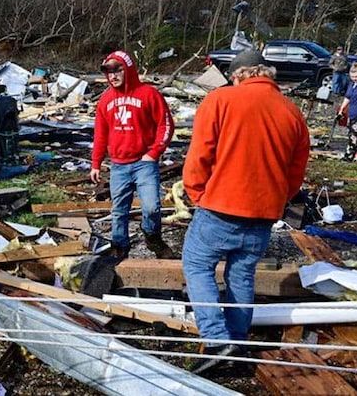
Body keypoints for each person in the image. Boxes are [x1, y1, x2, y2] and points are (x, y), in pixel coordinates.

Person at [181, 51, 310, 374]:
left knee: (197, 266)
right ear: (267, 74)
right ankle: (236, 346)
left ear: (238, 75)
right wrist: (276, 200)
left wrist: (197, 193)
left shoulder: (221, 100)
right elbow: (296, 172)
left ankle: (216, 341)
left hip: (220, 206)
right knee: (241, 275)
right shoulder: (292, 113)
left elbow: (199, 156)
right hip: (264, 212)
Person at [89, 50, 175, 260]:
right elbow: (101, 133)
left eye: (117, 70)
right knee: (119, 211)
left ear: (128, 70)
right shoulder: (105, 100)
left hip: (144, 163)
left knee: (152, 206)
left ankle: (152, 236)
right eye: (108, 72)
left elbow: (165, 125)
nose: (113, 76)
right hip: (118, 165)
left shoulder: (148, 94)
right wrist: (96, 163)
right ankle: (120, 246)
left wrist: (154, 152)